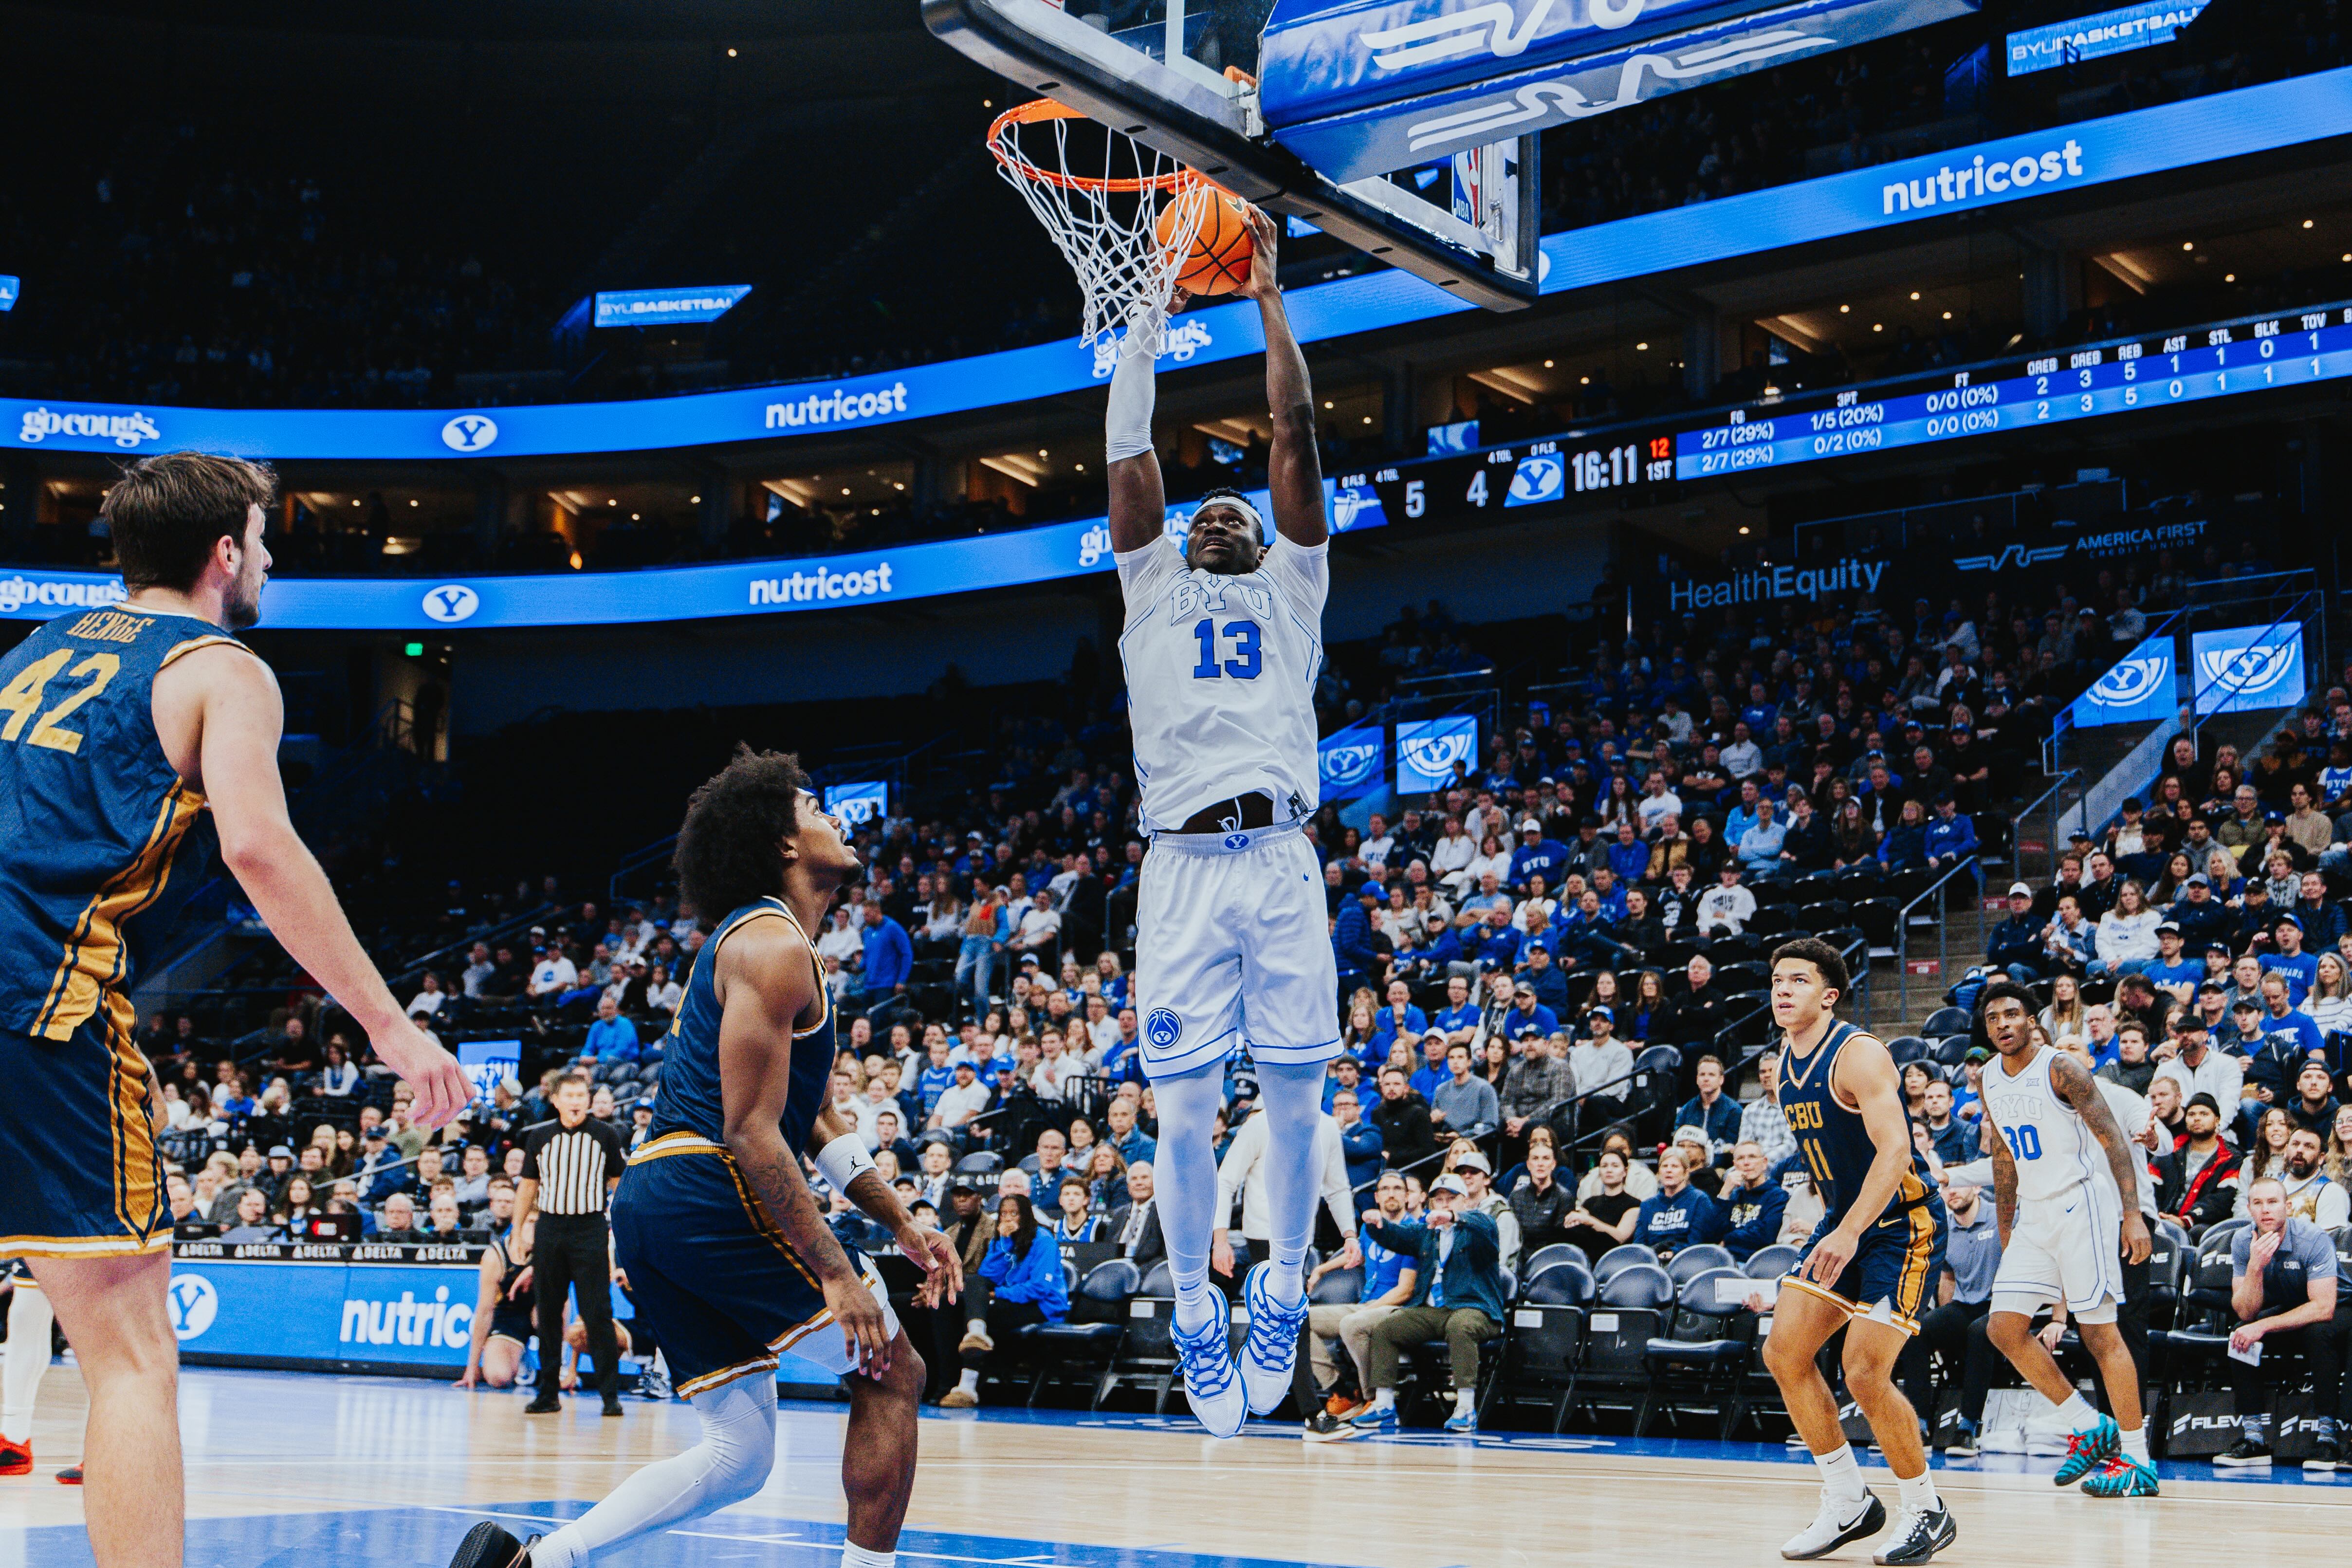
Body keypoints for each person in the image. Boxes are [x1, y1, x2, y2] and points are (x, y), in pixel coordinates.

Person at [0, 454, 470, 1568]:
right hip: (36, 1002)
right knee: (129, 1354)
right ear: (224, 555)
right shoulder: (222, 665)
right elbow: (257, 848)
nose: (267, 560)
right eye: (262, 541)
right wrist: (392, 1028)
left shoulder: (29, 652)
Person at [446, 751, 959, 1568]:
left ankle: (537, 1563)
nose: (833, 819)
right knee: (894, 1372)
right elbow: (755, 1132)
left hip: (658, 1200)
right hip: (705, 1185)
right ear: (783, 845)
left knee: (739, 1457)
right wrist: (835, 1269)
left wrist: (897, 1218)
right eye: (813, 808)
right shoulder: (771, 943)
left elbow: (816, 1120)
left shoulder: (774, 946)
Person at [1761, 938, 1953, 1565]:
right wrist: (1832, 1226)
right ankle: (1847, 1499)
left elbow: (1894, 1150)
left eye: (1797, 979)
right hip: (1844, 1219)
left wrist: (1846, 1232)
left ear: (1829, 993)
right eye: (1776, 980)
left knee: (1863, 1369)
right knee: (1784, 1350)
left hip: (1904, 1223)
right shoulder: (1784, 1060)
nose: (1782, 988)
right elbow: (1833, 1161)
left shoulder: (1859, 1053)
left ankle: (1927, 1510)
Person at [1972, 982, 2158, 1497]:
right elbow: (2004, 1156)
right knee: (2003, 1328)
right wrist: (2008, 1230)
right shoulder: (1988, 1077)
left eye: (2012, 1013)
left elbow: (2111, 1138)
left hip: (2081, 1206)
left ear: (2033, 1020)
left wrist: (2131, 1213)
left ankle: (2137, 1459)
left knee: (2100, 1334)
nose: (2002, 1023)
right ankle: (2087, 1422)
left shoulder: (2061, 1067)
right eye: (1992, 1017)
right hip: (2032, 1214)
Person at [1348, 1173, 1507, 1435]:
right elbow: (1398, 1237)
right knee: (1386, 1328)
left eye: (1451, 1199)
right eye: (1439, 1200)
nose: (1444, 1205)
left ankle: (1466, 1408)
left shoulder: (1480, 1227)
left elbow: (1484, 1224)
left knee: (1461, 1326)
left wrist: (1455, 1218)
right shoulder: (1427, 1232)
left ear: (1465, 1202)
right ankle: (1385, 1405)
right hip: (1432, 1310)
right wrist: (1378, 1225)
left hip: (1474, 1308)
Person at [515, 1073, 629, 1417]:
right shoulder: (539, 1136)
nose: (577, 1101)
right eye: (570, 1095)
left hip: (589, 1228)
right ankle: (548, 1392)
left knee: (598, 1312)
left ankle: (610, 1395)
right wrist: (519, 1231)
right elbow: (527, 1186)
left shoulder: (605, 1135)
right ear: (556, 1100)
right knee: (548, 1312)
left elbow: (618, 1185)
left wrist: (623, 1230)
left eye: (582, 1095)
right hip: (550, 1227)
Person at [2215, 1175, 2342, 1468]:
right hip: (2287, 1306)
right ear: (2249, 1209)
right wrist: (2255, 1267)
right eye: (2258, 1203)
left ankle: (2327, 1439)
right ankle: (2254, 1439)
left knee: (2319, 1334)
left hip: (2336, 1306)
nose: (2266, 1210)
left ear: (2288, 1206)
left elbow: (2323, 1307)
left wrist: (2263, 1325)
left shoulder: (2312, 1238)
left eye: (2273, 1202)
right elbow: (2246, 1312)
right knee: (2241, 1335)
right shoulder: (2242, 1240)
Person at [1301, 1169, 1418, 1435]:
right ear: (1376, 1197)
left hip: (1397, 1308)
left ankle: (1375, 1399)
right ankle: (1340, 1391)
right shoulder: (1370, 1228)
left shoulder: (1414, 1231)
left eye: (1397, 1189)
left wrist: (1369, 1309)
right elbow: (1359, 1255)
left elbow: (1405, 1291)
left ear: (1407, 1196)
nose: (1391, 1193)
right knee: (1300, 1320)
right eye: (1385, 1189)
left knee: (1354, 1324)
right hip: (1367, 1304)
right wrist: (1322, 1269)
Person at [942, 1193, 1068, 1408]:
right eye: (1003, 1214)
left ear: (1026, 1216)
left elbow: (1039, 1288)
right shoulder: (1001, 1240)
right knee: (972, 1284)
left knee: (983, 1312)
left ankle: (968, 1386)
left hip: (1044, 1306)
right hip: (1012, 1300)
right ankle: (976, 1333)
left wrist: (999, 1294)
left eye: (1014, 1214)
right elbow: (987, 1276)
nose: (1008, 1219)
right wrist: (1004, 1242)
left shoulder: (1044, 1241)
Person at [456, 1210, 537, 1391]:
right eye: (530, 1221)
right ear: (518, 1223)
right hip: (509, 1316)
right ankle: (518, 1356)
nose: (535, 1228)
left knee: (560, 1297)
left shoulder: (550, 1249)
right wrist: (472, 1367)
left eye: (540, 1223)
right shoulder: (496, 1255)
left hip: (540, 1314)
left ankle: (561, 1367)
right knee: (498, 1378)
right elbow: (485, 1311)